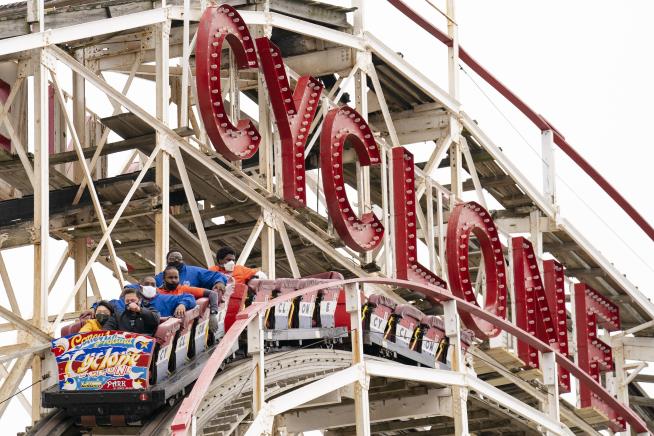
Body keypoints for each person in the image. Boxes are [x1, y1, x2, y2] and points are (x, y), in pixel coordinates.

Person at [157, 266, 221, 332]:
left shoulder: (184, 289)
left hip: (177, 330)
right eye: (170, 278)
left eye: (176, 277)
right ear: (163, 279)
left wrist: (213, 314)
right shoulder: (156, 292)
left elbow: (213, 294)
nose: (173, 280)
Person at [154, 250, 227, 291]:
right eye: (172, 259)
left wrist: (219, 282)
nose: (176, 261)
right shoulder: (158, 278)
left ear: (182, 260)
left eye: (178, 258)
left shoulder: (195, 271)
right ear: (167, 261)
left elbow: (216, 276)